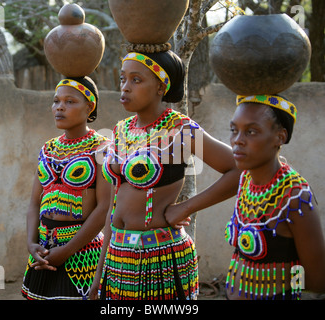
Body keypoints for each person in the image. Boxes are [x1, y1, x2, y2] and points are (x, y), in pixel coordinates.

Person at [89, 44, 241, 300]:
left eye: (136, 80)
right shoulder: (120, 130)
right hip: (116, 256)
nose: (125, 87)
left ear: (162, 87)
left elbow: (238, 171)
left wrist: (185, 207)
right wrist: (98, 276)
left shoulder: (180, 130)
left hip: (160, 258)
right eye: (123, 78)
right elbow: (114, 205)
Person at [224, 94, 325, 300]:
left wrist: (287, 287)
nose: (237, 140)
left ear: (280, 137)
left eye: (251, 132)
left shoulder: (295, 197)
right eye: (234, 130)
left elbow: (317, 279)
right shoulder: (245, 179)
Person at [21, 76, 111, 300]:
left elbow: (104, 208)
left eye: (70, 101)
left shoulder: (102, 149)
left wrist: (67, 251)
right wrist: (32, 244)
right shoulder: (48, 148)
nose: (60, 107)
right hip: (44, 249)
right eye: (56, 101)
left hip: (82, 251)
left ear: (90, 106)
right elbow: (34, 203)